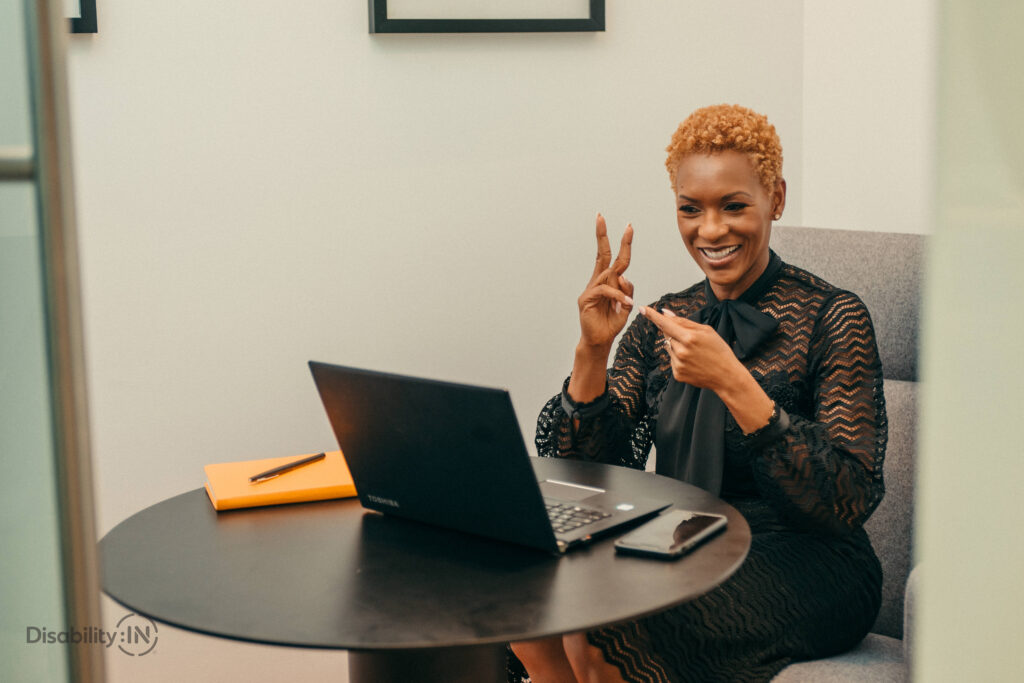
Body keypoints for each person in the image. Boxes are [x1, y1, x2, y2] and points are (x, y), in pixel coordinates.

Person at [509, 104, 886, 683]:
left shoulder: (834, 318)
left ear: (776, 200)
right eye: (691, 209)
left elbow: (847, 499)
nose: (710, 230)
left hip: (813, 562)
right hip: (681, 540)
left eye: (733, 205)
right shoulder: (665, 320)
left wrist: (735, 382)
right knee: (531, 596)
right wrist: (591, 355)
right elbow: (588, 472)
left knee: (611, 621)